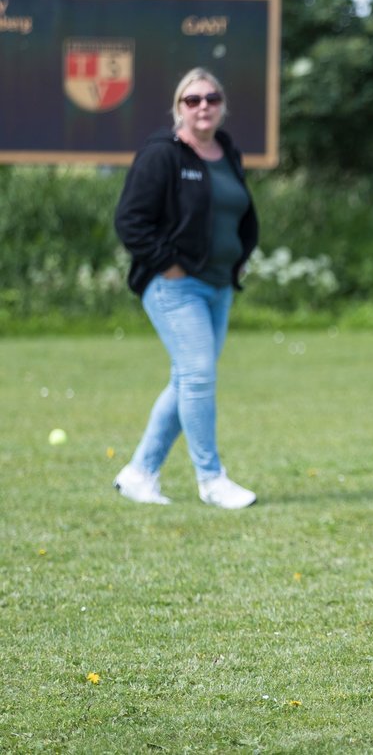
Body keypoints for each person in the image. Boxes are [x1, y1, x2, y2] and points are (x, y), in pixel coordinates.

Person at [112, 67, 260, 509]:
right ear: (178, 107)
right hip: (174, 287)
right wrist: (169, 266)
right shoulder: (162, 154)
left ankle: (139, 473)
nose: (203, 107)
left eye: (211, 98)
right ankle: (212, 480)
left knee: (186, 381)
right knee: (198, 375)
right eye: (192, 100)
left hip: (219, 286)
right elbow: (130, 222)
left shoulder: (227, 151)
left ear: (222, 106)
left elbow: (234, 214)